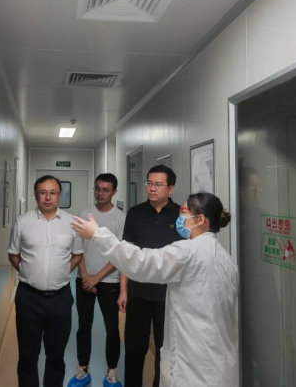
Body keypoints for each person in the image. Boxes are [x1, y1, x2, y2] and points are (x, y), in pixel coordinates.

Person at [72, 192, 239, 387]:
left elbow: (141, 263)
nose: (179, 217)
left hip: (193, 361)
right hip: (219, 358)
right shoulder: (226, 259)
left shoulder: (188, 252)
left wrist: (98, 235)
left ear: (200, 219)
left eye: (184, 212)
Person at [8, 175, 84, 387]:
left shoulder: (72, 223)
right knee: (27, 356)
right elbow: (13, 255)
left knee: (56, 356)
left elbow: (77, 254)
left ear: (60, 195)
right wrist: (30, 272)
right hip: (28, 298)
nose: (48, 197)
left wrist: (62, 271)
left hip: (60, 298)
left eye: (53, 193)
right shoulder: (22, 223)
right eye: (43, 193)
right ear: (36, 195)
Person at [119, 165, 181, 387]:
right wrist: (123, 290)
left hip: (170, 295)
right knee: (134, 348)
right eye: (149, 183)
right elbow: (127, 254)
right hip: (138, 291)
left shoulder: (182, 215)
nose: (151, 188)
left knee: (166, 350)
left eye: (158, 184)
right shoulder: (135, 213)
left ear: (170, 188)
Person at [68, 174, 126, 387]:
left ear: (114, 192)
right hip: (84, 279)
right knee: (84, 327)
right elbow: (78, 248)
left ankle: (111, 371)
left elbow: (119, 254)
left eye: (105, 190)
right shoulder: (85, 213)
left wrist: (97, 278)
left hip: (109, 281)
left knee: (112, 329)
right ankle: (83, 369)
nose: (100, 193)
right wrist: (85, 276)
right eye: (97, 189)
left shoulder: (120, 218)